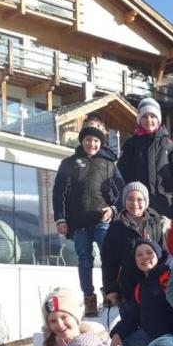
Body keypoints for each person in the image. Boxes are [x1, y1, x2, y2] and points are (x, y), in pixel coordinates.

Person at [52, 121, 124, 316]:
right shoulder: (69, 163)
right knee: (85, 260)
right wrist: (60, 218)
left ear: (101, 143)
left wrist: (114, 209)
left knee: (108, 258)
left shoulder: (109, 165)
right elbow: (58, 192)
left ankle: (111, 294)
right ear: (82, 140)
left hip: (102, 219)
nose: (92, 144)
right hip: (78, 222)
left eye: (95, 140)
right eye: (88, 140)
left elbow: (122, 191)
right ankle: (89, 298)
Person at [109, 239, 173, 346]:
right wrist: (117, 334)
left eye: (149, 252)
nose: (144, 257)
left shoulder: (169, 277)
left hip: (172, 338)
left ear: (158, 255)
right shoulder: (140, 286)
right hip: (150, 335)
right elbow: (133, 316)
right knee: (125, 338)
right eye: (139, 255)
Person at [117, 97, 173, 223]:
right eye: (144, 116)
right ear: (139, 119)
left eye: (153, 116)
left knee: (164, 242)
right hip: (138, 207)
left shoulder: (169, 145)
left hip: (165, 208)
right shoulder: (130, 145)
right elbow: (121, 176)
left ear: (158, 119)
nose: (149, 120)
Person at [101, 182, 165, 306]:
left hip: (153, 285)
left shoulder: (155, 223)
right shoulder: (116, 227)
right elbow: (108, 260)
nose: (135, 204)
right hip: (127, 286)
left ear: (146, 202)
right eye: (130, 199)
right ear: (124, 201)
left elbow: (162, 253)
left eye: (139, 199)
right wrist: (110, 288)